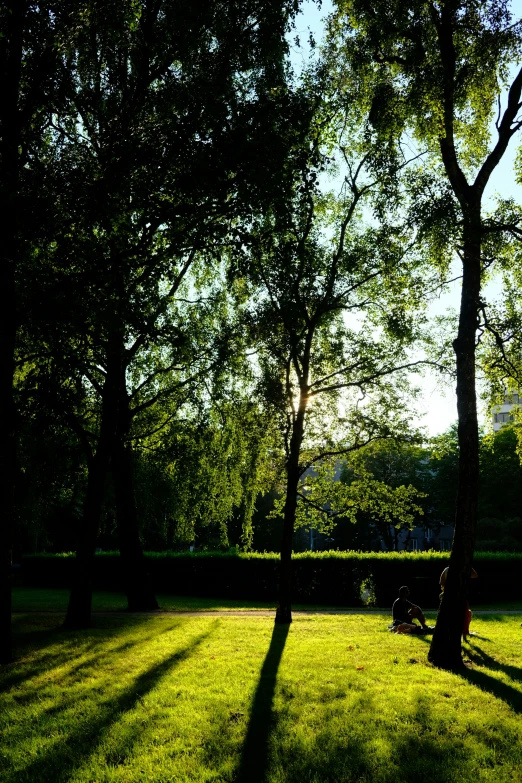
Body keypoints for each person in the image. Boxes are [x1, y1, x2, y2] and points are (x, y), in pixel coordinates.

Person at [439, 566, 478, 640]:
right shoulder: (463, 569)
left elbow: (442, 583)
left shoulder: (447, 570)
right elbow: (475, 575)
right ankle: (464, 634)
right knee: (465, 614)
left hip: (449, 596)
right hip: (460, 595)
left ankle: (457, 633)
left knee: (455, 615)